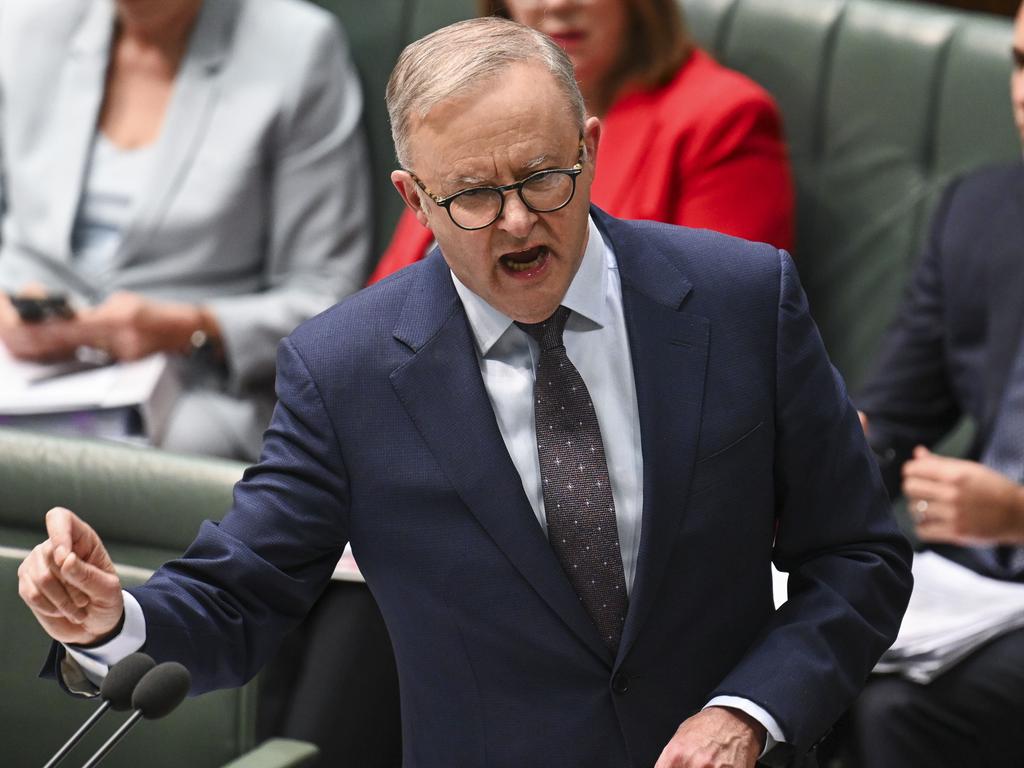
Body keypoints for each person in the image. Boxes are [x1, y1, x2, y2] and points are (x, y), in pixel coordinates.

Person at [17, 18, 911, 768]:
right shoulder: (347, 371)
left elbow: (859, 556)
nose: (519, 221)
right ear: (414, 198)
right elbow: (240, 595)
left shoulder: (742, 299)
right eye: (475, 196)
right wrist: (111, 620)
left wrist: (750, 713)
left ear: (591, 148)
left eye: (542, 179)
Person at [0, 0, 371, 461]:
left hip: (195, 380)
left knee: (163, 453)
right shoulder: (21, 26)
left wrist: (188, 327)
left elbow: (325, 297)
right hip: (18, 362)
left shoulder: (297, 50)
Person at [843, 5, 1024, 765]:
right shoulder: (980, 212)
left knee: (900, 711)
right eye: (1019, 63)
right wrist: (823, 464)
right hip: (970, 584)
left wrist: (1018, 514)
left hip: (1000, 558)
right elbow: (889, 418)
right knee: (782, 657)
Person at [367, 0, 794, 283]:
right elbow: (388, 297)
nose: (557, 3)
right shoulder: (464, 114)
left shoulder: (721, 116)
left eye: (542, 175)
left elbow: (716, 316)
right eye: (476, 192)